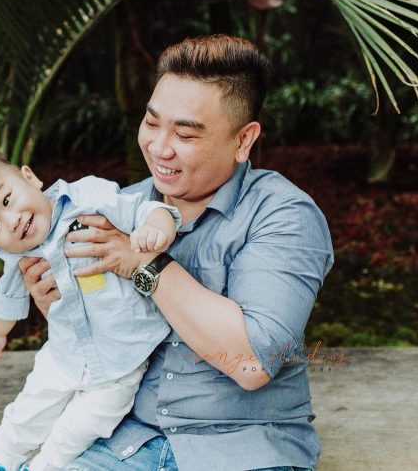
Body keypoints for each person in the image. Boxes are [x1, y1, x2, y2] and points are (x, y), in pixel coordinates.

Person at [21, 34, 334, 471]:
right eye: (152, 124)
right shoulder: (117, 208)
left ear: (244, 140)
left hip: (244, 449)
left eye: (185, 133)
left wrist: (144, 265)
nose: (158, 147)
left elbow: (251, 362)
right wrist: (57, 305)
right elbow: (92, 346)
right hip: (122, 440)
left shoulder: (282, 215)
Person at [0, 154, 181, 471]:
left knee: (85, 423)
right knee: (31, 406)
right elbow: (8, 295)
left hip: (122, 355)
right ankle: (2, 458)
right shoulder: (18, 255)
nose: (10, 220)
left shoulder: (88, 197)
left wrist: (156, 225)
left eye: (6, 199)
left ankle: (45, 465)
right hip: (64, 352)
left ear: (30, 177)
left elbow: (143, 207)